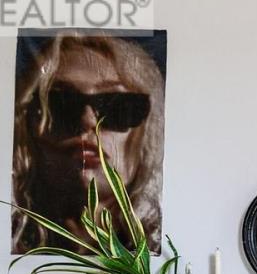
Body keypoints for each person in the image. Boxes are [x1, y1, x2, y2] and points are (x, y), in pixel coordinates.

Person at [12, 31, 165, 254]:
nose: (88, 121)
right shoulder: (0, 242)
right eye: (60, 103)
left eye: (116, 106)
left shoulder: (163, 252)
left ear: (148, 134)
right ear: (27, 124)